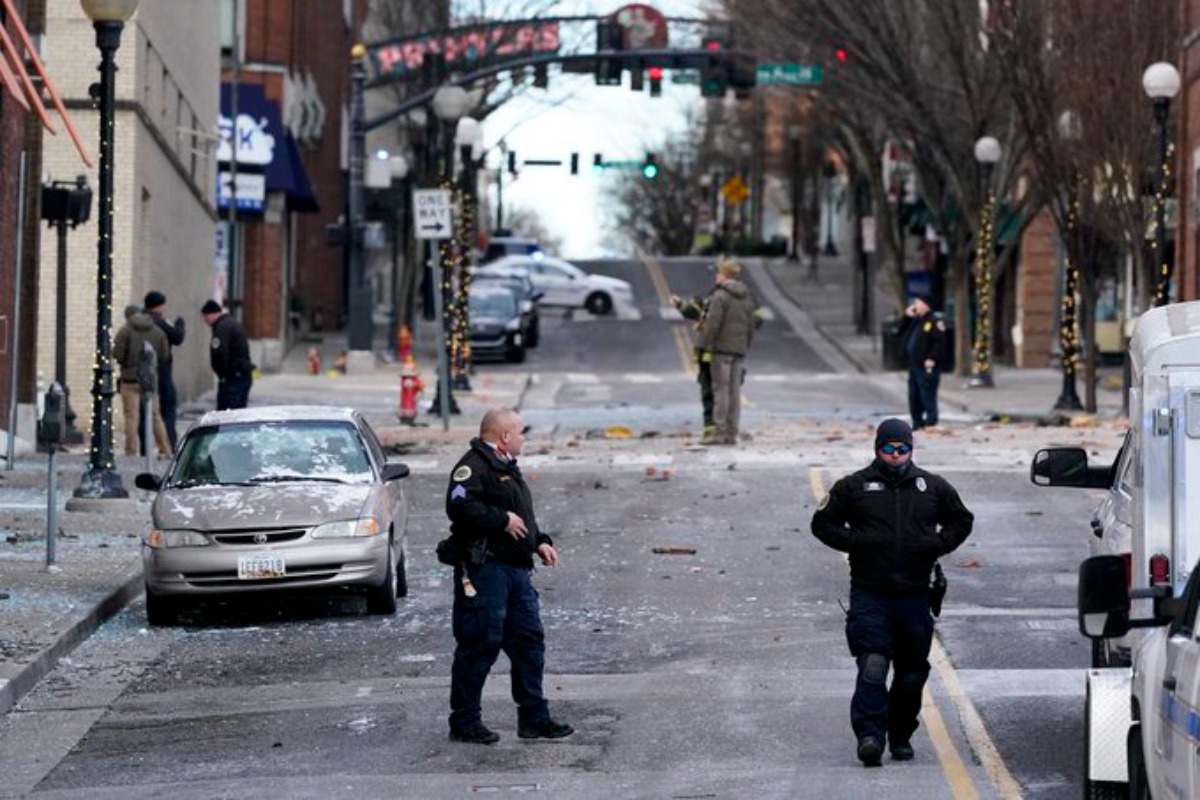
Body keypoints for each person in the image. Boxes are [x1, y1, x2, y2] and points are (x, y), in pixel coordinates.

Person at [810, 418, 974, 767]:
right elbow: (822, 524)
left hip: (915, 594)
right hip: (871, 592)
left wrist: (937, 545)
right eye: (889, 449)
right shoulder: (853, 487)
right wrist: (856, 543)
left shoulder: (931, 487)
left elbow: (962, 519)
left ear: (911, 449)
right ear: (877, 449)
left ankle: (900, 733)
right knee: (873, 664)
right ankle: (870, 736)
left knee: (912, 673)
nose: (896, 455)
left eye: (903, 449)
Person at [443, 407, 573, 745]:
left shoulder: (505, 467)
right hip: (487, 571)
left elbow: (522, 517)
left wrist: (539, 541)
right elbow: (458, 506)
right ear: (504, 436)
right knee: (479, 644)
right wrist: (500, 520)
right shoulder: (473, 466)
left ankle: (534, 718)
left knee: (529, 643)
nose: (523, 438)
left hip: (516, 572)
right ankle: (465, 721)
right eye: (520, 432)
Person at [697, 259, 758, 446]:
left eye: (719, 273)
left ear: (725, 276)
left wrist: (705, 346)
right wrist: (745, 345)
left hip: (720, 350)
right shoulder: (747, 296)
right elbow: (751, 325)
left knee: (720, 391)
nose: (716, 276)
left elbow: (713, 325)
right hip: (738, 350)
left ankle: (719, 432)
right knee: (734, 392)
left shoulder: (720, 296)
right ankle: (732, 432)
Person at [112, 303, 171, 457]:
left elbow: (117, 354)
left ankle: (131, 450)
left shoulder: (125, 331)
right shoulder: (157, 331)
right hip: (151, 380)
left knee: (132, 417)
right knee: (156, 416)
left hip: (130, 380)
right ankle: (165, 449)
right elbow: (165, 354)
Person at [670, 287, 717, 438]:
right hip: (720, 353)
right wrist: (680, 305)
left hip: (715, 353)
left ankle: (715, 427)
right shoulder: (725, 299)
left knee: (712, 391)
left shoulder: (720, 300)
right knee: (716, 390)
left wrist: (681, 306)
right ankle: (718, 427)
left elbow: (700, 315)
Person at [143, 290, 185, 450]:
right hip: (163, 373)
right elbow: (177, 337)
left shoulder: (138, 322)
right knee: (167, 410)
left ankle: (145, 447)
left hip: (143, 374)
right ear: (158, 306)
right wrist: (180, 324)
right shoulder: (160, 322)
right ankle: (170, 443)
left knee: (145, 413)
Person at [902, 294, 947, 430]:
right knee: (913, 395)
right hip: (914, 364)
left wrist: (932, 358)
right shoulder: (916, 320)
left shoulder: (935, 321)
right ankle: (917, 422)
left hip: (927, 365)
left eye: (918, 303)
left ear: (926, 305)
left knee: (927, 393)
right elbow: (899, 331)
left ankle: (931, 421)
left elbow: (939, 342)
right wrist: (906, 317)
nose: (915, 305)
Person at [201, 299, 253, 410]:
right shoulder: (231, 323)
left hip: (232, 377)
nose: (204, 320)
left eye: (205, 317)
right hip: (241, 374)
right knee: (239, 411)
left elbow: (218, 354)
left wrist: (222, 375)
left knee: (226, 413)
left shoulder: (221, 329)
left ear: (211, 314)